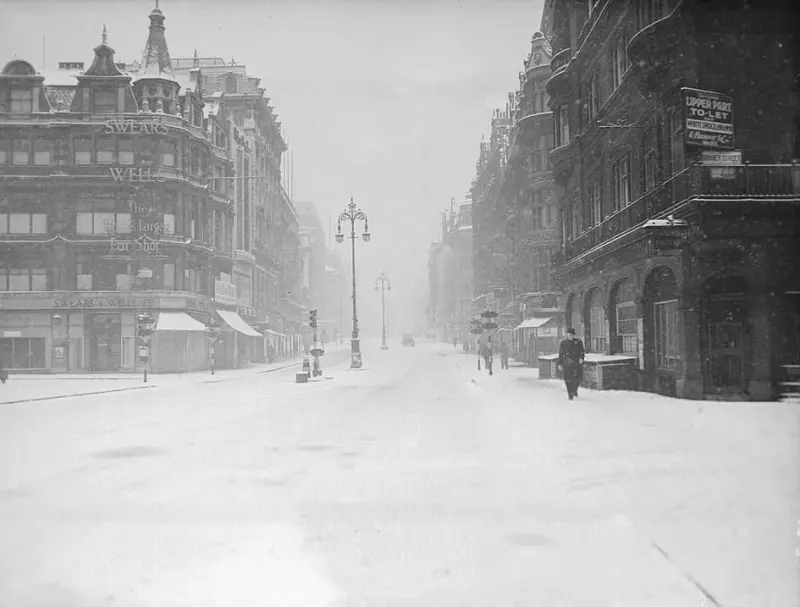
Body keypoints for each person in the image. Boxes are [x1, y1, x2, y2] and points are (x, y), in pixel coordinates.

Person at [557, 328, 585, 400]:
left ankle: (575, 390)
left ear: (574, 335)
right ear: (567, 335)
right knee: (568, 379)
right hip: (567, 362)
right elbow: (560, 354)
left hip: (576, 361)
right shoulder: (563, 343)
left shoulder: (578, 342)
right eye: (569, 334)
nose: (570, 336)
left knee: (578, 378)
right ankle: (570, 393)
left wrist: (581, 358)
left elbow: (582, 351)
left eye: (572, 335)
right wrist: (559, 364)